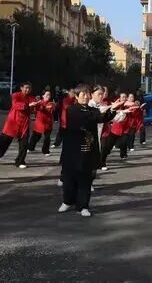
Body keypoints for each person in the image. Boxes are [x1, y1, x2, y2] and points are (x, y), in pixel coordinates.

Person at [58, 84, 125, 217]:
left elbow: (102, 118)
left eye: (87, 94)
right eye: (82, 94)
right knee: (69, 179)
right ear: (77, 96)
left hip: (88, 149)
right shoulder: (72, 109)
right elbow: (89, 117)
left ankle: (82, 206)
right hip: (73, 150)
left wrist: (113, 109)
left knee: (85, 179)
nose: (85, 97)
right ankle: (67, 201)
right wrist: (107, 109)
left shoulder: (92, 110)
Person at [0, 82, 38, 168]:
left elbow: (35, 109)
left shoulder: (32, 98)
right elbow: (15, 105)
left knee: (24, 144)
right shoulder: (16, 95)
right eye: (26, 87)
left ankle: (20, 161)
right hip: (12, 122)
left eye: (29, 88)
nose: (28, 89)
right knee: (3, 142)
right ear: (21, 88)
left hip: (24, 124)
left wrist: (38, 105)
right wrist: (28, 105)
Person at [28, 90, 56, 156]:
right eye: (47, 95)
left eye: (49, 95)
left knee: (47, 138)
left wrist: (46, 107)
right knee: (36, 136)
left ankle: (46, 151)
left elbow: (51, 108)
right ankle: (30, 147)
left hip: (48, 123)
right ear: (43, 96)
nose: (48, 96)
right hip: (39, 123)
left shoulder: (51, 103)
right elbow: (35, 109)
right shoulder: (39, 102)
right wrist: (35, 104)